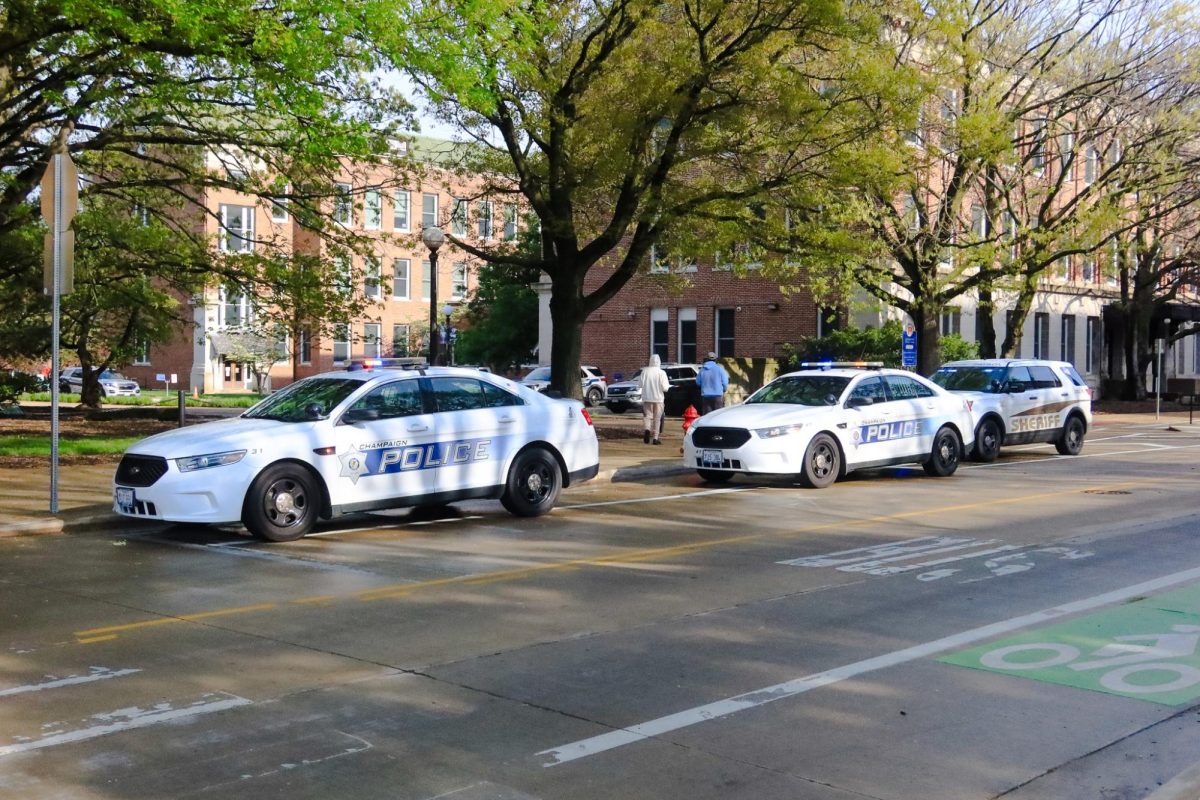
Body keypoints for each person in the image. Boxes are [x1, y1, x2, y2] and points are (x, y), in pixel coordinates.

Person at [638, 353, 670, 445]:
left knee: (647, 416)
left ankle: (647, 429)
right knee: (657, 418)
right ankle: (655, 438)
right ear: (659, 362)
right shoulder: (662, 373)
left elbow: (640, 385)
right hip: (659, 399)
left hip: (647, 398)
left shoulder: (644, 371)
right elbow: (665, 388)